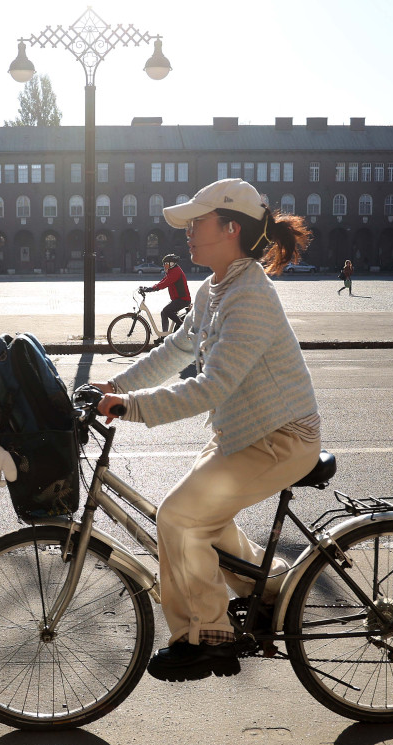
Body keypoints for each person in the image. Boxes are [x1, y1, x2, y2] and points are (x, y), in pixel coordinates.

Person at [94, 178, 321, 682]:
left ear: (231, 229)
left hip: (282, 439)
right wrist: (112, 384)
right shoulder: (215, 287)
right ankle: (273, 590)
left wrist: (129, 407)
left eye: (198, 223)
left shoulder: (250, 296)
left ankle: (207, 637)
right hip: (244, 437)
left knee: (178, 517)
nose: (189, 233)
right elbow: (175, 351)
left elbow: (210, 386)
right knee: (207, 523)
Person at [142, 254, 190, 339]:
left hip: (182, 299)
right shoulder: (171, 271)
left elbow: (164, 283)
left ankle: (183, 326)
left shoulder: (176, 272)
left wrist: (151, 289)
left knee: (167, 311)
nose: (164, 266)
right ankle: (164, 336)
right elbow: (163, 281)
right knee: (163, 313)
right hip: (177, 299)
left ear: (172, 264)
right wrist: (150, 288)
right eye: (164, 264)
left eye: (166, 264)